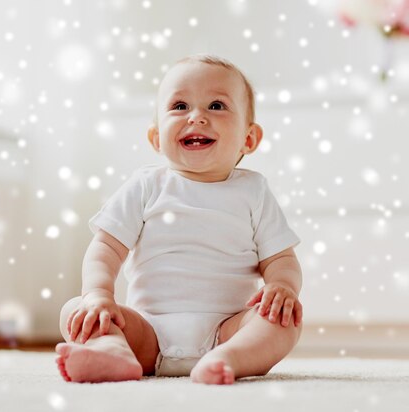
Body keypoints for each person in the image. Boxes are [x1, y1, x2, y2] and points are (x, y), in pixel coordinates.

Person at [56, 54, 303, 385]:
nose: (197, 117)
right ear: (157, 138)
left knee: (285, 320)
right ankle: (115, 351)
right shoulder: (146, 186)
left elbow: (281, 258)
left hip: (228, 330)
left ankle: (231, 358)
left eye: (216, 106)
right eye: (180, 106)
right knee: (75, 310)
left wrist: (282, 287)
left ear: (249, 138)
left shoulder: (254, 191)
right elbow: (105, 249)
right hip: (148, 332)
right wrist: (98, 295)